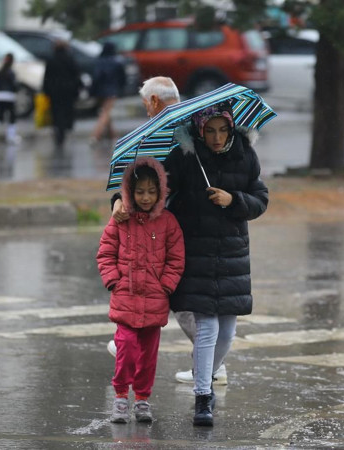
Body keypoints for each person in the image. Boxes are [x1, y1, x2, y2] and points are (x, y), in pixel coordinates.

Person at [106, 77, 230, 386]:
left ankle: (212, 364)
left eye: (145, 104)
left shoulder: (186, 135)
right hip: (164, 229)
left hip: (179, 231)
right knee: (176, 296)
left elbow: (154, 182)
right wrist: (119, 199)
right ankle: (208, 361)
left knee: (182, 298)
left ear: (154, 103)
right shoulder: (173, 131)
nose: (146, 110)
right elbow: (139, 183)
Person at [165, 102, 268, 426]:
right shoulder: (184, 156)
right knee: (207, 327)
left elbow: (260, 199)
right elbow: (160, 190)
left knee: (228, 331)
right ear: (199, 130)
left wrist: (233, 200)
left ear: (232, 128)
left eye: (222, 130)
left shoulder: (245, 154)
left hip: (233, 255)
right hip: (196, 252)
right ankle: (202, 398)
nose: (216, 137)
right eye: (209, 131)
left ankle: (201, 372)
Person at [96, 157, 185, 424]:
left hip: (155, 301)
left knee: (148, 356)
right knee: (126, 349)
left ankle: (143, 398)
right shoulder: (121, 220)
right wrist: (114, 281)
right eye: (139, 191)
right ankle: (121, 395)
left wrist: (165, 285)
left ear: (160, 193)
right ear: (129, 192)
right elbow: (105, 253)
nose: (145, 198)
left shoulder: (168, 222)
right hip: (126, 299)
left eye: (151, 191)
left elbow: (176, 259)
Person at [42, 40, 83, 149]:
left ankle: (58, 130)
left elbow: (47, 77)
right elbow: (77, 75)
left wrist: (46, 91)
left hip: (54, 91)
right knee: (67, 110)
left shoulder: (51, 60)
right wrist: (78, 88)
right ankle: (66, 127)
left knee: (56, 112)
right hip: (69, 91)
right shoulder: (70, 59)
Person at [90, 42, 126, 145]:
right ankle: (95, 136)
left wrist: (92, 91)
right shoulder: (117, 62)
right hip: (112, 91)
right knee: (105, 113)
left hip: (99, 91)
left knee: (106, 113)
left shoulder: (98, 61)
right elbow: (122, 79)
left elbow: (96, 78)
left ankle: (113, 135)